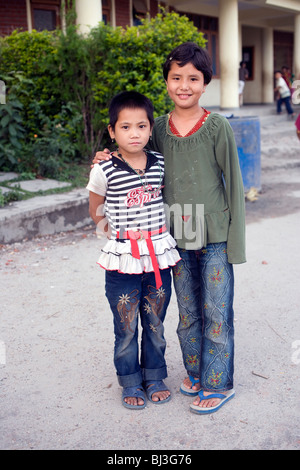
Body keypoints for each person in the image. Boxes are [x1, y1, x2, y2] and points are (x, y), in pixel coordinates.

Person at [93, 42, 246, 414]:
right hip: (175, 234)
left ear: (205, 83)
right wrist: (106, 154)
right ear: (166, 82)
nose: (184, 85)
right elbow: (137, 155)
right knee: (189, 311)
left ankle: (217, 382)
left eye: (193, 78)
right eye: (176, 77)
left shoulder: (217, 126)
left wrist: (236, 244)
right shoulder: (156, 127)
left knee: (217, 309)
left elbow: (235, 184)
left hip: (214, 233)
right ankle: (194, 373)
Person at [87, 91, 181, 409]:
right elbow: (95, 208)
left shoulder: (159, 163)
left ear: (151, 129)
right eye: (125, 127)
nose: (135, 133)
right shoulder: (104, 170)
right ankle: (130, 381)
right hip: (123, 259)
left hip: (158, 257)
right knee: (126, 327)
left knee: (154, 323)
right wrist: (115, 237)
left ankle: (154, 376)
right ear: (112, 131)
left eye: (142, 126)